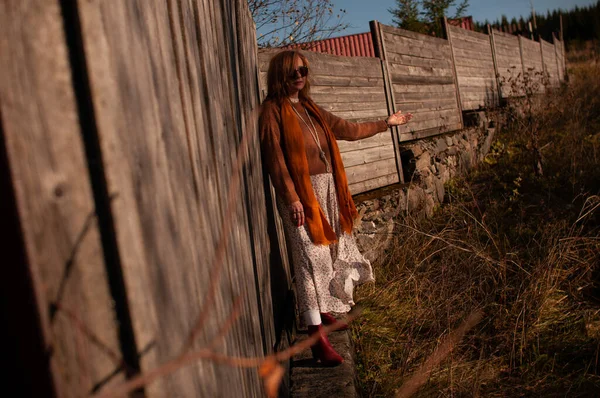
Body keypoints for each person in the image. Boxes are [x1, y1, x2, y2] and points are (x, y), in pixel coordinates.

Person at [259, 50, 412, 366]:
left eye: (303, 69)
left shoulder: (311, 108)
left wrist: (387, 123)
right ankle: (317, 339)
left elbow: (350, 130)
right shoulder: (272, 111)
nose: (299, 75)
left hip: (328, 189)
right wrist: (292, 198)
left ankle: (323, 311)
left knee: (328, 253)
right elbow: (275, 159)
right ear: (279, 76)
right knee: (309, 261)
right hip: (301, 197)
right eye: (291, 72)